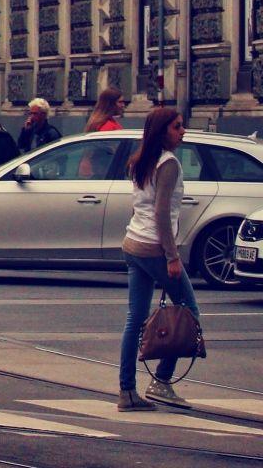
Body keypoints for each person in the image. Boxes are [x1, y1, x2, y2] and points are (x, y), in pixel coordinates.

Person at [118, 107, 199, 412]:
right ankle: (161, 381)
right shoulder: (169, 165)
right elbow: (161, 214)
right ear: (163, 130)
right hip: (154, 248)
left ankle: (126, 392)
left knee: (135, 319)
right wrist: (172, 256)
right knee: (189, 312)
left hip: (133, 244)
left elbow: (139, 207)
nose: (183, 131)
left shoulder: (141, 160)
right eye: (178, 127)